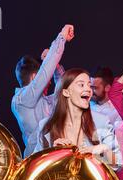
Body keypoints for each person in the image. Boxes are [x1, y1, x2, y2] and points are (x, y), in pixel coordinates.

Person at [12, 24, 74, 158]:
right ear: (35, 77)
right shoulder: (21, 99)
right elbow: (46, 71)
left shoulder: (44, 101)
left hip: (54, 158)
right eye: (44, 78)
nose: (49, 81)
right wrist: (61, 37)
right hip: (36, 161)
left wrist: (57, 66)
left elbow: (64, 89)